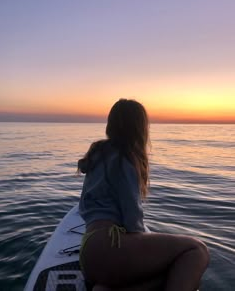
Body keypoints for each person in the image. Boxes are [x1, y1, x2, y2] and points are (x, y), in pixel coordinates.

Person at [78, 99, 209, 291]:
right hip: (111, 248)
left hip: (89, 253)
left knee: (172, 271)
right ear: (139, 128)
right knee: (197, 250)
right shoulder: (125, 157)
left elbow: (84, 206)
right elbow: (132, 220)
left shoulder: (97, 155)